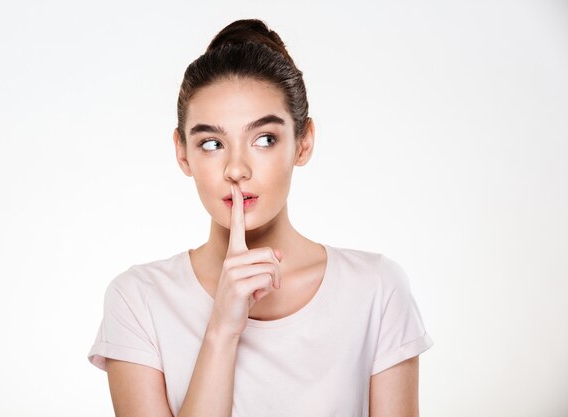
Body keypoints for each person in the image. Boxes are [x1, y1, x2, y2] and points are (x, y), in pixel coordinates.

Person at [88, 18, 433, 417]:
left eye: (264, 139)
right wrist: (222, 329)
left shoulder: (376, 290)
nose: (236, 168)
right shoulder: (138, 300)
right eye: (212, 143)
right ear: (182, 154)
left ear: (303, 143)